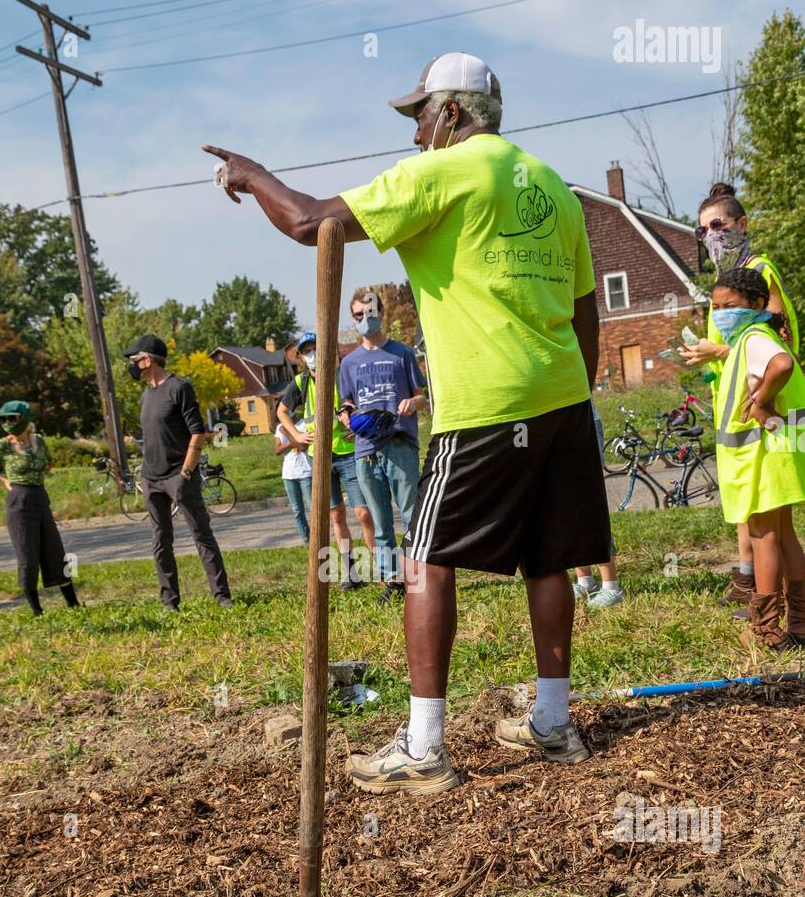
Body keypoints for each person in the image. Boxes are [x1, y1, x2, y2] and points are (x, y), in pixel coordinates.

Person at [203, 50, 610, 793]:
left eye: (419, 115)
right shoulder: (553, 184)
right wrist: (574, 392)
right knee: (551, 557)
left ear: (451, 112)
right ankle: (553, 722)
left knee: (424, 556)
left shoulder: (442, 172)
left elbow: (310, 224)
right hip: (561, 396)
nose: (416, 132)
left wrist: (252, 175)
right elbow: (587, 309)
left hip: (487, 401)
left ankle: (424, 746)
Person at [679, 183, 799, 616]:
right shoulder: (729, 281)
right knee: (769, 525)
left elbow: (774, 340)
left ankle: (768, 611)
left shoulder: (757, 272)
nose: (710, 235)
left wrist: (722, 355)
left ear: (741, 225)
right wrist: (709, 357)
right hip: (745, 411)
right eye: (702, 230)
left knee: (770, 526)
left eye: (718, 225)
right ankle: (777, 602)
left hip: (763, 416)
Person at [710, 267, 805, 650]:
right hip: (780, 454)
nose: (720, 314)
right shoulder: (757, 336)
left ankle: (765, 628)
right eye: (715, 307)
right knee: (785, 537)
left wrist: (761, 401)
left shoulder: (753, 338)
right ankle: (799, 624)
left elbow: (781, 365)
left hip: (764, 459)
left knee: (762, 535)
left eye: (729, 306)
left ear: (757, 305)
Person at [124, 333, 233, 612]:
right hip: (152, 479)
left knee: (201, 534)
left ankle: (222, 596)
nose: (133, 365)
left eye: (135, 360)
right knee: (161, 540)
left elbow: (198, 433)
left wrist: (186, 474)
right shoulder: (146, 395)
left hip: (178, 475)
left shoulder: (179, 387)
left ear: (147, 359)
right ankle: (169, 601)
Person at [338, 288, 427, 605]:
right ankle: (393, 580)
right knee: (379, 522)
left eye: (370, 313)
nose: (364, 319)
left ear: (381, 313)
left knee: (411, 515)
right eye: (358, 315)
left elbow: (422, 395)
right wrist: (346, 417)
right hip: (366, 450)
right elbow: (345, 404)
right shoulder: (348, 363)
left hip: (400, 444)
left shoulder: (401, 353)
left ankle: (418, 577)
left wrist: (412, 403)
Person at [276, 331, 376, 592]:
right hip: (319, 457)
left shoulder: (343, 373)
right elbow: (281, 412)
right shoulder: (300, 383)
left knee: (363, 511)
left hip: (348, 452)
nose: (312, 355)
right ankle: (350, 573)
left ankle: (384, 569)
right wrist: (296, 434)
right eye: (306, 351)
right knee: (335, 514)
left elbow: (363, 402)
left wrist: (360, 426)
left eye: (315, 349)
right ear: (301, 357)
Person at [0, 400, 81, 617]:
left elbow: (49, 463)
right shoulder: (3, 445)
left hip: (40, 496)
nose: (7, 423)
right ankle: (37, 611)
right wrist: (3, 480)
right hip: (19, 500)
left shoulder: (39, 441)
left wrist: (38, 472)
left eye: (12, 418)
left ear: (25, 418)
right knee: (27, 555)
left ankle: (73, 603)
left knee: (56, 550)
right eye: (3, 419)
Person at [573, 404, 623, 607]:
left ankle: (611, 587)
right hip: (555, 422)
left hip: (581, 422)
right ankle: (585, 582)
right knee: (566, 506)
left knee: (588, 503)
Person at [275, 413, 312, 543]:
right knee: (297, 510)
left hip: (306, 472)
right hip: (289, 474)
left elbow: (302, 447)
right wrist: (293, 441)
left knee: (312, 508)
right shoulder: (280, 426)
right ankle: (306, 537)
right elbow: (277, 450)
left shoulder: (304, 424)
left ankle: (318, 534)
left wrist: (286, 432)